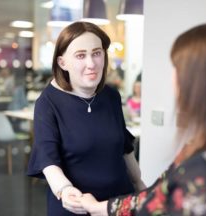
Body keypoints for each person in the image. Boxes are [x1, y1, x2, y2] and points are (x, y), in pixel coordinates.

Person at [78, 23, 206, 215]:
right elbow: (158, 196)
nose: (172, 79)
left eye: (176, 69)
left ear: (197, 82)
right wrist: (100, 207)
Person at [27, 21, 146, 216]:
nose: (91, 63)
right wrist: (64, 189)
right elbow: (47, 158)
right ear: (62, 62)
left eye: (97, 53)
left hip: (117, 203)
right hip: (76, 205)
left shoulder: (111, 95)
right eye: (80, 55)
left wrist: (139, 184)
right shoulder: (48, 102)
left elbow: (124, 145)